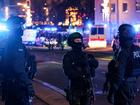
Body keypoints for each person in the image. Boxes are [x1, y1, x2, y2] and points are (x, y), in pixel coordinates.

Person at [2, 16, 35, 105]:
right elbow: (18, 67)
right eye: (21, 25)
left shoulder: (8, 41)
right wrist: (28, 85)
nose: (23, 28)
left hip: (9, 84)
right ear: (15, 26)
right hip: (18, 86)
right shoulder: (15, 43)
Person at [107, 24, 140, 105]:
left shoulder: (124, 52)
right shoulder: (137, 50)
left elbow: (119, 74)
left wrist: (112, 90)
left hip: (123, 86)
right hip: (133, 84)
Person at [63, 32, 98, 105]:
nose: (79, 42)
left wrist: (89, 62)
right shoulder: (69, 56)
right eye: (76, 41)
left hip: (87, 87)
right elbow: (68, 71)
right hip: (75, 87)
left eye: (80, 40)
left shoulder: (86, 55)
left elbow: (95, 64)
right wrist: (81, 74)